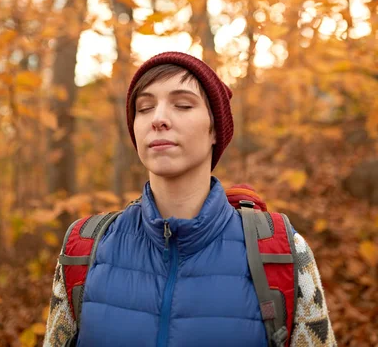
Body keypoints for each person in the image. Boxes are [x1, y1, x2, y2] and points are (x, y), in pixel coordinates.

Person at [44, 51, 336, 347]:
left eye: (182, 105)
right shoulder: (84, 247)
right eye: (144, 108)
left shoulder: (283, 250)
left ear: (214, 129)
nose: (158, 119)